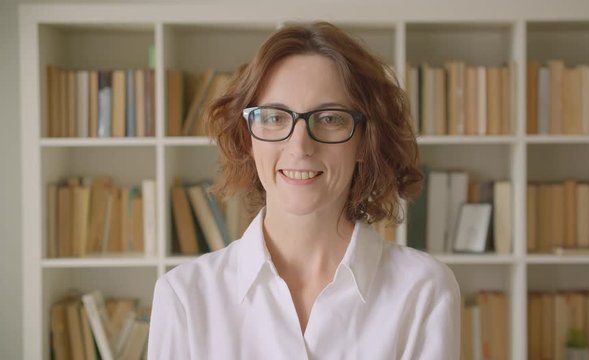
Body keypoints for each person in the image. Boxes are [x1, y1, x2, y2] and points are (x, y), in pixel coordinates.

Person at [148, 22, 460, 359]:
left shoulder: (423, 290)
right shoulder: (184, 297)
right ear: (248, 139)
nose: (300, 145)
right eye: (274, 117)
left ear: (365, 141)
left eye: (329, 118)